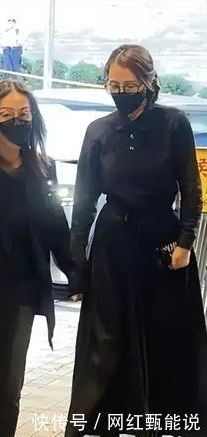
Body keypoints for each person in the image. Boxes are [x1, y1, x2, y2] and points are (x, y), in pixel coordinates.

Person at [66, 44, 207, 437]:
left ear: (148, 83)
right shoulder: (98, 131)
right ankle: (102, 426)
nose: (121, 93)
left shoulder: (174, 123)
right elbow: (84, 201)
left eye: (129, 86)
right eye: (113, 85)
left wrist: (185, 242)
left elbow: (191, 190)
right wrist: (77, 265)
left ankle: (163, 424)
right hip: (113, 242)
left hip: (163, 246)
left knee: (165, 341)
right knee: (107, 343)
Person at [0, 79, 74, 437]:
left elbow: (55, 227)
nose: (16, 121)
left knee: (9, 391)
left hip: (20, 292)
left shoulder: (41, 168)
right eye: (6, 115)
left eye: (24, 114)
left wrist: (78, 274)